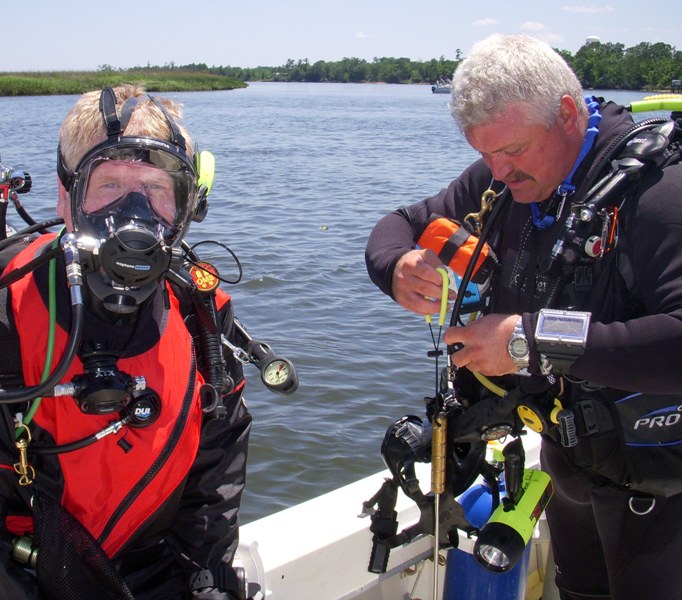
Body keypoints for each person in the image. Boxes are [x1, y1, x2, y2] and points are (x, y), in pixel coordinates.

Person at [365, 34, 682, 600]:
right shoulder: (505, 176)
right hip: (569, 461)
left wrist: (529, 342)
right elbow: (401, 222)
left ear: (565, 112)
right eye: (484, 153)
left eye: (511, 150)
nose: (498, 171)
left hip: (660, 479)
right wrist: (396, 266)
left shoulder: (660, 192)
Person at [0, 85, 252, 599]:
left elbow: (218, 462)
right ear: (66, 197)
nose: (134, 211)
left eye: (157, 188)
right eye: (110, 183)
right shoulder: (8, 308)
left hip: (154, 565)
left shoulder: (201, 312)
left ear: (184, 205)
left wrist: (204, 575)